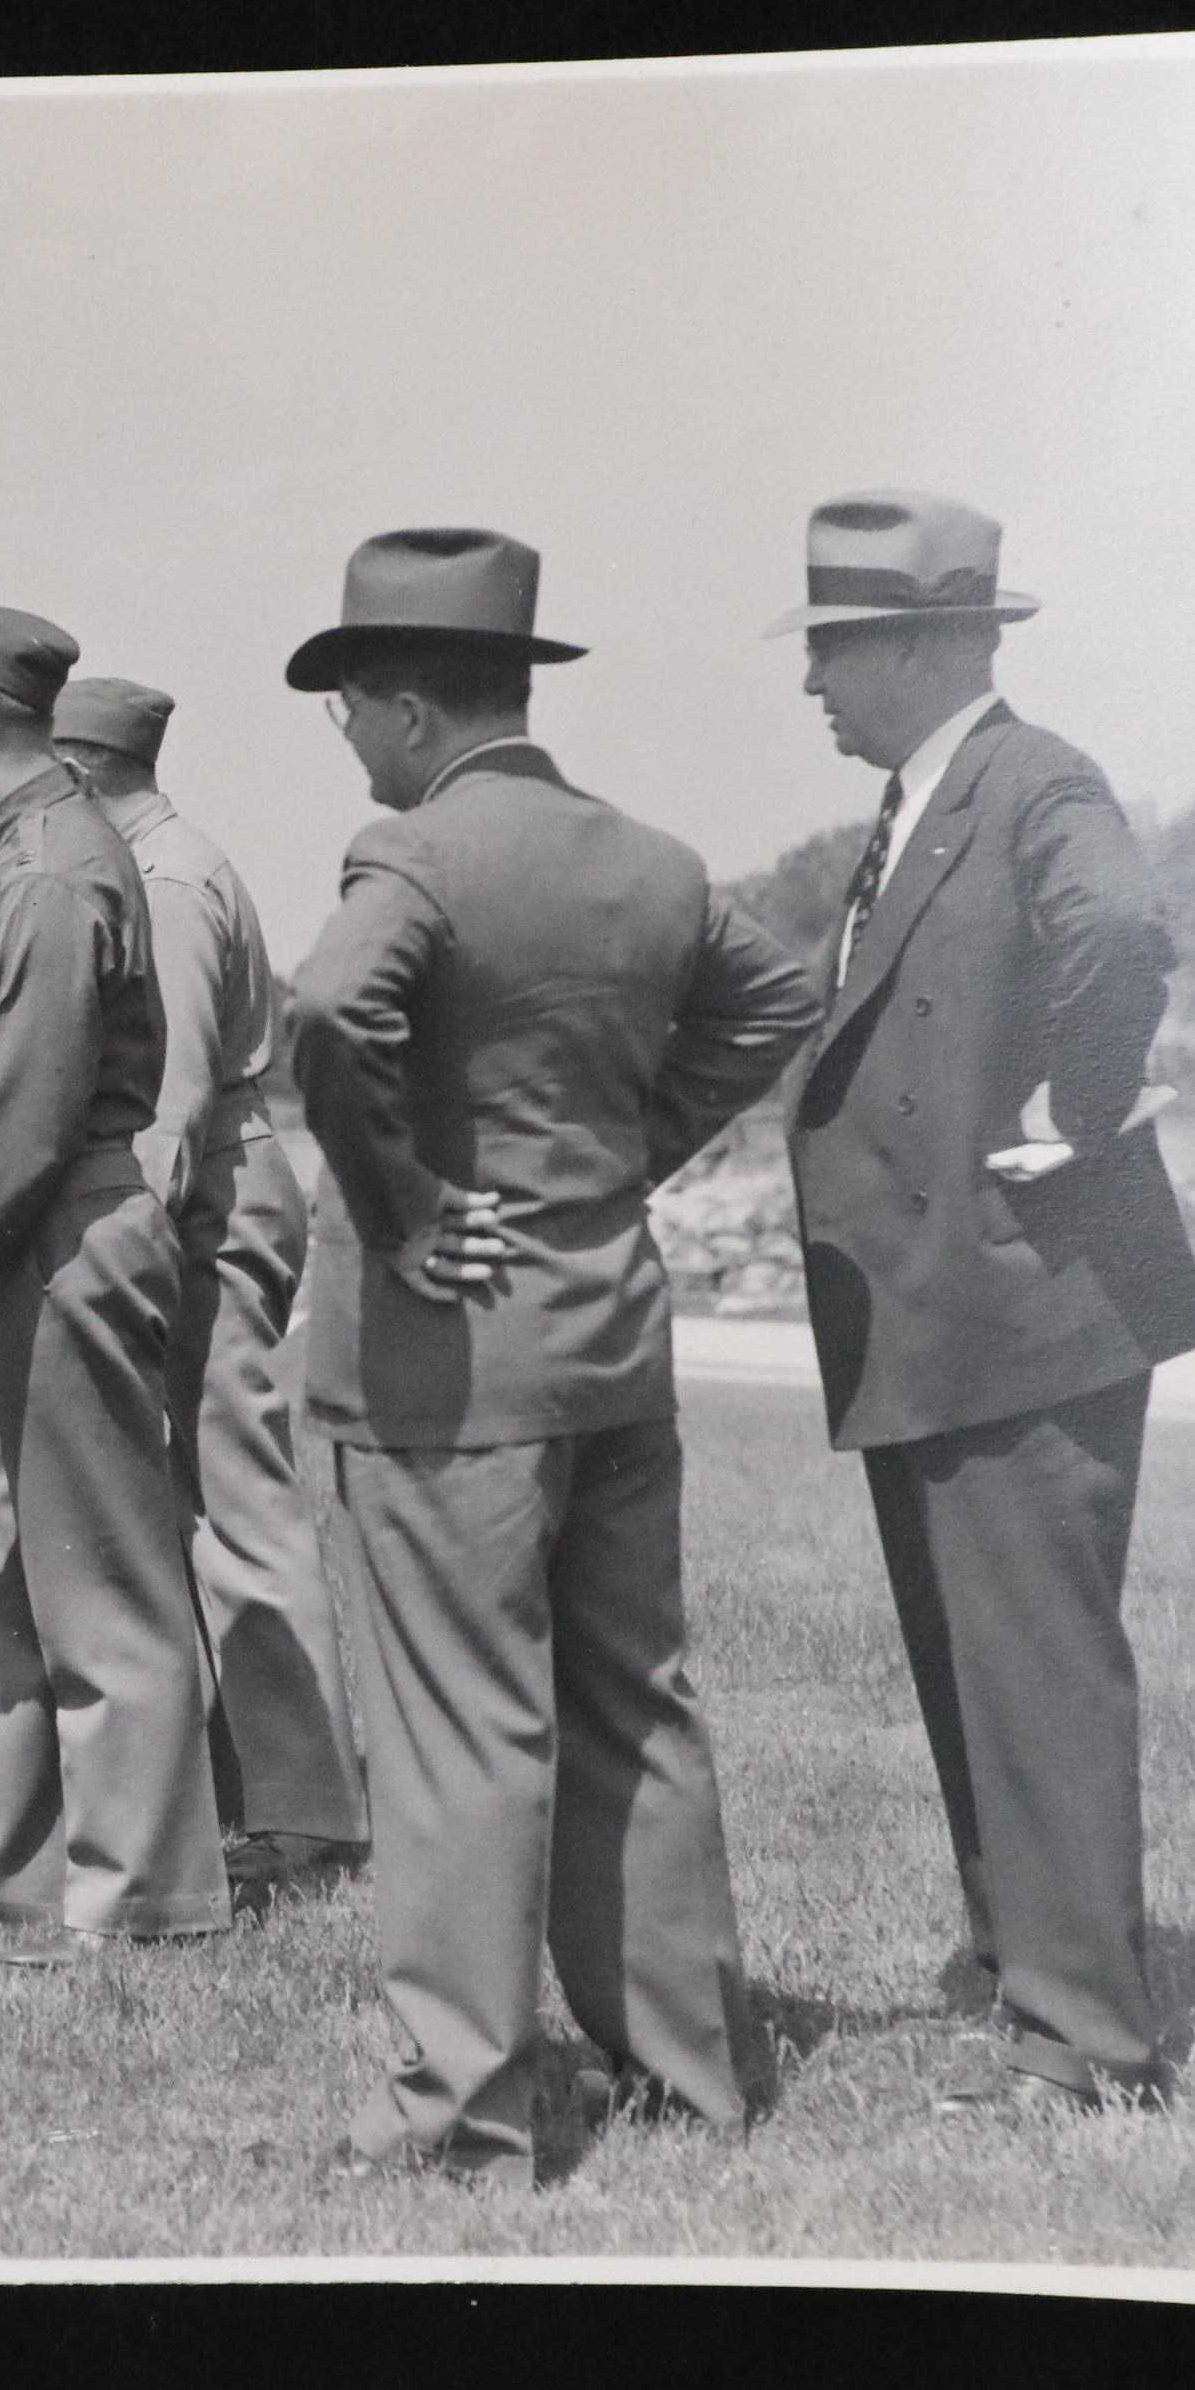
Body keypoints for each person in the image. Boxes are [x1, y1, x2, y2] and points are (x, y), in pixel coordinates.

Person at [288, 527, 819, 2184]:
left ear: (400, 706)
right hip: (611, 1332)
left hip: (452, 1358)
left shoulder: (414, 852)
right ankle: (691, 2067)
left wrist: (399, 1209)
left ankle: (457, 2106)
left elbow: (323, 1017)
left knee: (461, 1730)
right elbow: (776, 1000)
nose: (353, 743)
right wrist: (623, 1154)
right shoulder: (652, 859)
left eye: (349, 712)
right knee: (634, 1702)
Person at [771, 491, 1195, 2117]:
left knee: (1031, 1665)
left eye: (829, 647)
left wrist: (1072, 1108)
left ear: (911, 642)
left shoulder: (1031, 778)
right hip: (947, 1316)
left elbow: (1117, 926)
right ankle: (1016, 1969)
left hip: (1024, 1309)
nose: (810, 680)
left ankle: (1091, 2035)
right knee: (975, 1662)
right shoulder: (926, 800)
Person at [0, 605, 235, 1946]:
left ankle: (148, 1895)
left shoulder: (40, 871)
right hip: (54, 1228)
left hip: (66, 1227)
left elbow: (19, 1121)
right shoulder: (21, 847)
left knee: (105, 1584)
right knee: (17, 1579)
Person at [59, 672, 369, 1894]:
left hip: (208, 1195)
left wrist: (127, 1241)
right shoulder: (154, 860)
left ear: (81, 772)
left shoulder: (166, 880)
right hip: (212, 1186)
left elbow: (172, 1100)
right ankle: (258, 1788)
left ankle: (304, 1808)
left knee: (238, 1494)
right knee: (203, 1490)